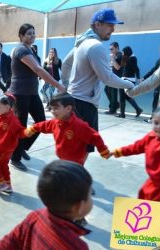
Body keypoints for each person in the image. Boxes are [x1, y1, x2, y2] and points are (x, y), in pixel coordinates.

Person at [61, 9, 134, 153]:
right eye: (110, 25)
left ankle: (70, 174)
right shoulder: (96, 46)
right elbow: (107, 78)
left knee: (73, 148)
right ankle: (70, 175)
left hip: (75, 100)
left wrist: (66, 86)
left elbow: (65, 64)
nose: (113, 29)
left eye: (114, 26)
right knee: (81, 151)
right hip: (85, 105)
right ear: (98, 24)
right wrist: (129, 84)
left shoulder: (82, 43)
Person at [0, 160, 92, 250]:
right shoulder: (76, 246)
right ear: (79, 207)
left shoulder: (36, 216)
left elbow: (7, 244)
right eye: (90, 195)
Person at [9, 23, 65, 171]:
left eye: (33, 33)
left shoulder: (31, 49)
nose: (32, 35)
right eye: (28, 33)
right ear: (21, 36)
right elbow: (37, 69)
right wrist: (59, 86)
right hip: (20, 94)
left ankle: (21, 148)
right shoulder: (21, 50)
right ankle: (15, 157)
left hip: (32, 93)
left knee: (41, 122)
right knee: (21, 126)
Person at [110, 105, 160, 201]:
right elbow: (136, 147)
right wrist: (118, 152)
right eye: (156, 123)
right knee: (144, 205)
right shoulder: (150, 137)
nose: (159, 127)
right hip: (153, 183)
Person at [25, 93, 110, 165]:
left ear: (68, 109)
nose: (52, 111)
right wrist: (32, 129)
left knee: (72, 182)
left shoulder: (79, 125)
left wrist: (103, 151)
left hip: (76, 163)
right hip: (62, 159)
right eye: (51, 108)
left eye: (56, 108)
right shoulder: (55, 122)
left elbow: (95, 137)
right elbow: (43, 125)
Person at [142, 43, 160, 122]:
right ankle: (153, 118)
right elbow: (153, 70)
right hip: (159, 85)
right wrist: (144, 77)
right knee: (155, 101)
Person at [116, 46, 143, 118]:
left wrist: (138, 78)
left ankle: (122, 114)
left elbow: (136, 69)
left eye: (123, 52)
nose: (123, 54)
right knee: (127, 96)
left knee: (122, 96)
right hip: (126, 79)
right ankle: (138, 109)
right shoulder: (128, 58)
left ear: (127, 52)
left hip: (128, 79)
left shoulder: (132, 59)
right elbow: (123, 67)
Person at [104, 42, 122, 115]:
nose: (110, 51)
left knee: (113, 93)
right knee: (107, 90)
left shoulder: (120, 55)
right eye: (110, 49)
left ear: (117, 48)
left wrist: (112, 59)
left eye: (112, 49)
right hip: (111, 77)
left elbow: (118, 67)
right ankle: (115, 105)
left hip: (116, 77)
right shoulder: (114, 55)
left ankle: (112, 109)